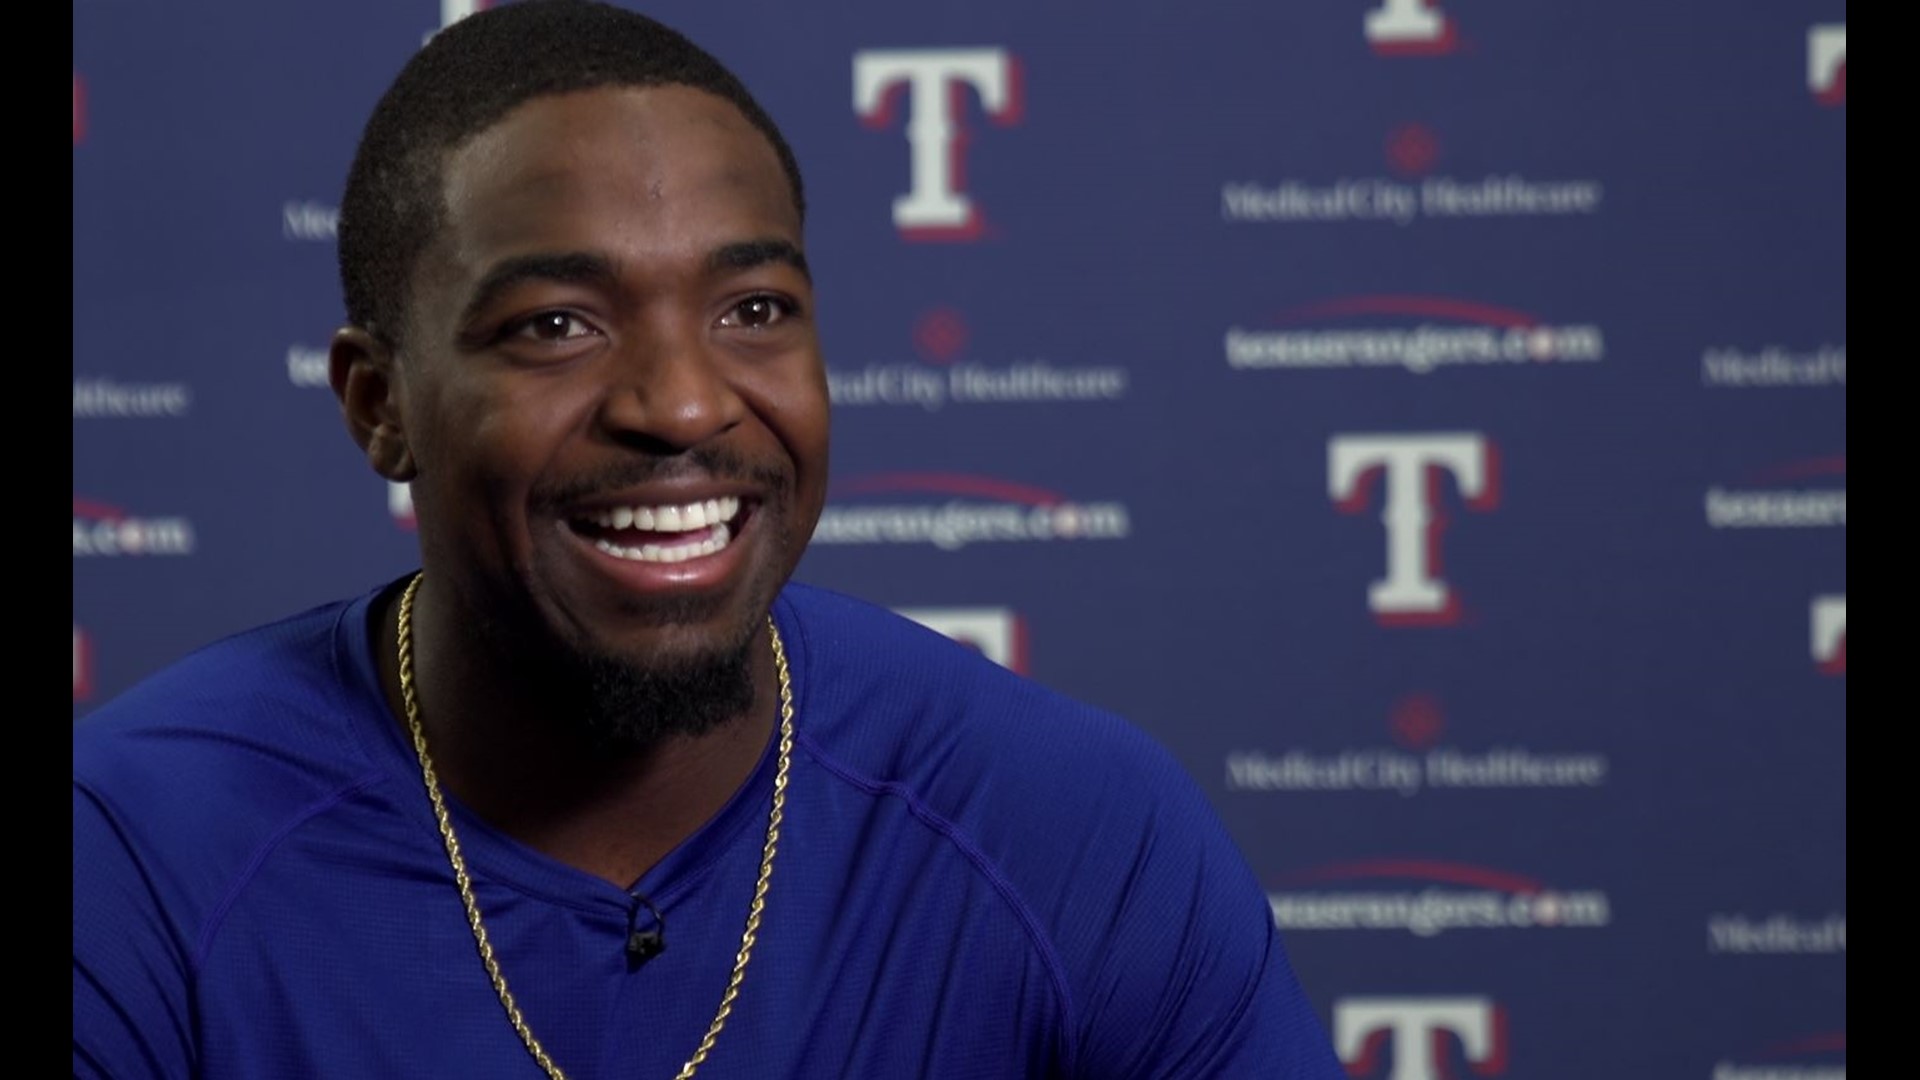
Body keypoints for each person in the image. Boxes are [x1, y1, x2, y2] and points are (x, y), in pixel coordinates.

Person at [71, 1, 1344, 1076]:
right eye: (557, 325)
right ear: (380, 403)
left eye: (753, 307)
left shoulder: (1075, 830)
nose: (681, 403)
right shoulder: (132, 853)